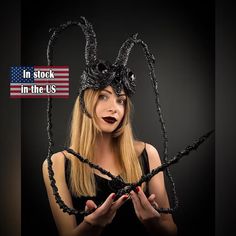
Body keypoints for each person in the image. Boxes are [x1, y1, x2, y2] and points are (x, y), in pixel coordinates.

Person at [42, 17, 177, 236]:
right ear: (85, 104)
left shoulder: (148, 154)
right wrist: (93, 226)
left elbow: (171, 230)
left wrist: (153, 223)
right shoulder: (55, 165)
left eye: (121, 100)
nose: (114, 108)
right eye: (103, 97)